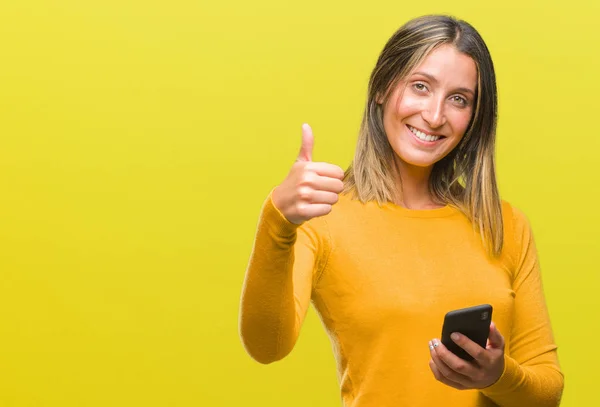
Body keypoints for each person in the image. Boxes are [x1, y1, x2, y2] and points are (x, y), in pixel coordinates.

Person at [238, 14, 564, 407]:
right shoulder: (324, 217)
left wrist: (498, 376)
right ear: (381, 88)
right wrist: (278, 216)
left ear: (474, 118)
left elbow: (547, 392)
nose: (434, 115)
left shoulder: (504, 225)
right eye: (420, 87)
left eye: (459, 98)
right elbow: (266, 346)